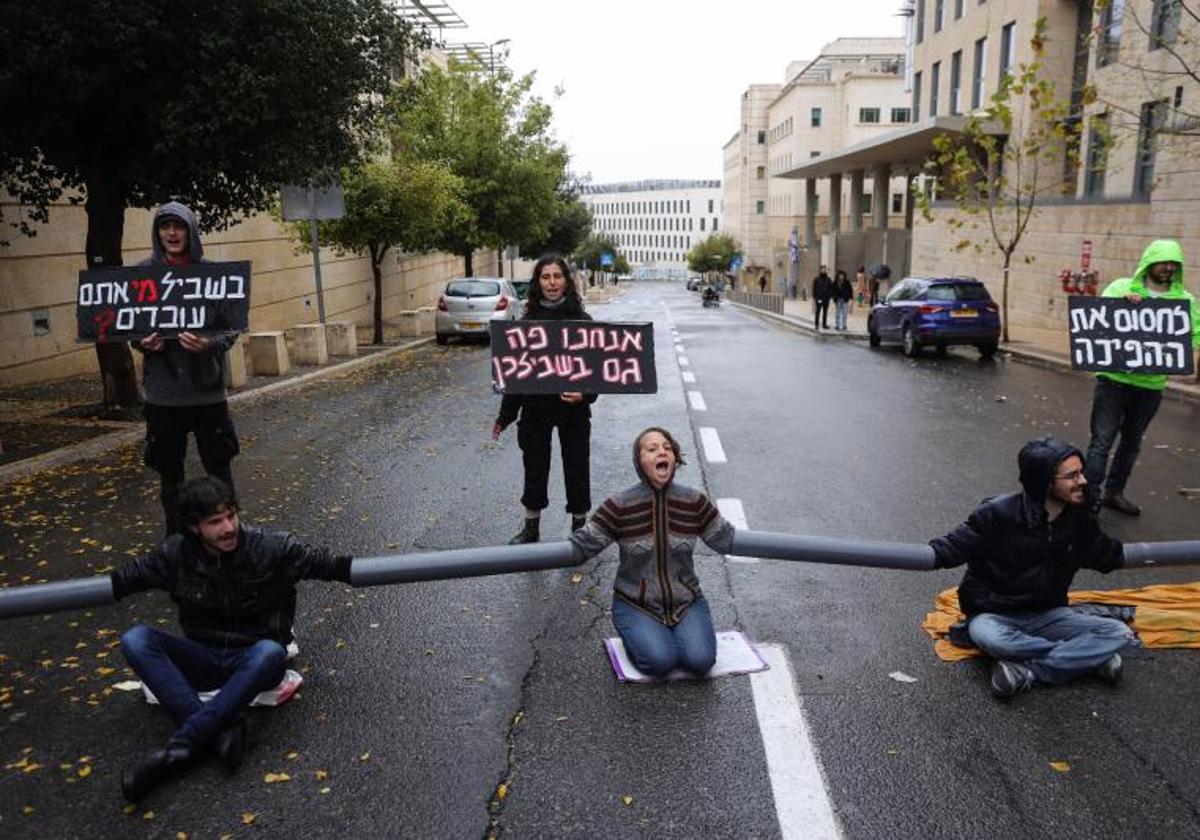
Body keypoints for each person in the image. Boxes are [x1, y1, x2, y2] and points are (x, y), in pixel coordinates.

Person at [112, 476, 353, 800]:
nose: (228, 527)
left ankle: (180, 749)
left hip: (257, 662)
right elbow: (123, 579)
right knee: (136, 639)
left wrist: (382, 569)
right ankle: (219, 734)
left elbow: (330, 565)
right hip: (204, 657)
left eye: (231, 515)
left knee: (270, 651)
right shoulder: (175, 554)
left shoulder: (272, 547)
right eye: (215, 521)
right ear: (194, 527)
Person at [930, 437, 1133, 699]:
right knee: (990, 637)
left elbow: (1107, 557)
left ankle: (1027, 672)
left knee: (1119, 633)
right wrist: (929, 555)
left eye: (1081, 473)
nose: (1082, 481)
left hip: (1049, 614)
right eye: (1072, 475)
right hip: (994, 615)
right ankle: (1086, 658)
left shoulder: (1079, 519)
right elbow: (950, 548)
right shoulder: (996, 513)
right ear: (1044, 481)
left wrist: (1106, 541)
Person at [570, 427, 734, 677]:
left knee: (701, 661)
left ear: (675, 459)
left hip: (687, 603)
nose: (662, 451)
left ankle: (670, 634)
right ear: (639, 461)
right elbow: (583, 545)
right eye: (652, 448)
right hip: (636, 604)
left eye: (667, 448)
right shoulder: (620, 504)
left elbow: (725, 540)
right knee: (659, 663)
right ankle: (637, 634)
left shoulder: (693, 501)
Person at [133, 202, 241, 535]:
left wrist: (210, 344)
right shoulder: (141, 274)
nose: (171, 233)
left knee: (219, 471)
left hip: (207, 395)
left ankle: (230, 534)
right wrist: (142, 341)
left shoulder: (213, 274)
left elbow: (231, 326)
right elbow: (130, 325)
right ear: (157, 232)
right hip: (163, 397)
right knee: (170, 476)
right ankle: (177, 541)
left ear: (190, 231)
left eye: (178, 226)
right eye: (165, 226)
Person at [1083, 240, 1200, 516]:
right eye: (1164, 262)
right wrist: (1121, 306)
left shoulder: (1186, 302)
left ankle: (1114, 493)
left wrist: (1183, 348)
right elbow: (1095, 320)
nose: (1169, 268)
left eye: (1174, 264)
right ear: (1149, 262)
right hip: (1113, 382)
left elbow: (1196, 334)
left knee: (1131, 444)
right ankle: (1089, 498)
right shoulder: (1121, 287)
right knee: (1101, 442)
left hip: (1150, 387)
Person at [493, 255, 597, 544]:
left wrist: (585, 395)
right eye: (545, 277)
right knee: (535, 467)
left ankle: (579, 526)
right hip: (535, 410)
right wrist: (505, 416)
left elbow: (597, 370)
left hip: (573, 411)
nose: (551, 282)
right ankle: (531, 527)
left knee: (577, 467)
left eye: (557, 276)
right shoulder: (526, 323)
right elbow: (515, 376)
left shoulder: (583, 322)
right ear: (538, 282)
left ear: (566, 280)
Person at [812, 265, 833, 330]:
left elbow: (831, 288)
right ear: (820, 270)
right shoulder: (817, 279)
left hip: (826, 299)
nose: (824, 270)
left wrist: (829, 296)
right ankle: (816, 324)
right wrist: (815, 297)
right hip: (819, 298)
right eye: (823, 269)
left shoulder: (828, 279)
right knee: (818, 312)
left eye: (825, 269)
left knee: (825, 312)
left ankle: (824, 324)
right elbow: (814, 289)